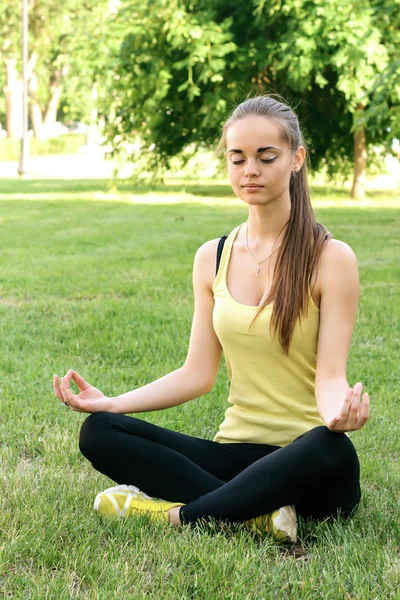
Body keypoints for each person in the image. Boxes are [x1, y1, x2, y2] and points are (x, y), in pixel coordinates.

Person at [53, 95, 370, 544]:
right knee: (100, 431)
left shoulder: (331, 259)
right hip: (234, 455)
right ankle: (254, 511)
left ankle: (178, 516)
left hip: (308, 463)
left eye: (266, 157)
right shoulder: (212, 257)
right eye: (237, 158)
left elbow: (331, 377)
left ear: (296, 159)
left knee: (330, 447)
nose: (250, 170)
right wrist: (112, 404)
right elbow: (197, 374)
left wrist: (340, 413)